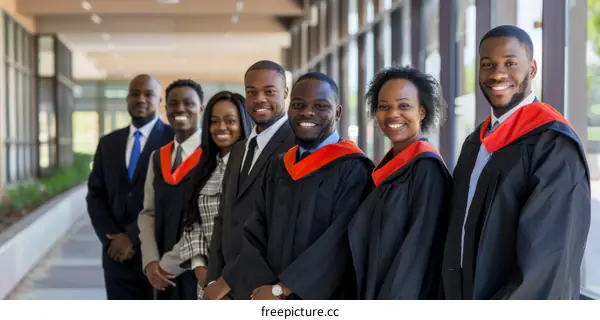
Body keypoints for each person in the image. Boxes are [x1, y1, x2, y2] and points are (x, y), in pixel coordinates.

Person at [442, 25, 590, 300]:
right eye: (488, 64)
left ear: (532, 69)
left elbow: (547, 258)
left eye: (511, 63)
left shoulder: (553, 145)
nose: (498, 74)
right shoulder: (477, 142)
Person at [238, 71, 374, 300]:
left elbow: (340, 242)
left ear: (338, 112)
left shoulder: (353, 168)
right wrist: (266, 286)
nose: (307, 112)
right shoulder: (279, 165)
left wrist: (284, 288)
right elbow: (254, 229)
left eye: (320, 106)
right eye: (298, 104)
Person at [348, 66, 451, 300]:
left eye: (404, 106)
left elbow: (418, 255)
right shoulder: (387, 167)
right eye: (384, 107)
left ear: (422, 112)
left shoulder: (427, 170)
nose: (393, 114)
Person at [204, 60, 296, 300]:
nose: (259, 99)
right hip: (227, 290)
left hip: (267, 288)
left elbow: (278, 228)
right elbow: (223, 218)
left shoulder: (296, 147)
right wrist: (214, 280)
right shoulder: (239, 150)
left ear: (285, 93)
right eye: (251, 92)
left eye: (269, 91)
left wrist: (226, 280)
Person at [86, 74, 174, 300]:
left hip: (159, 256)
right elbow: (96, 195)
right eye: (135, 93)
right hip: (116, 257)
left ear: (160, 101)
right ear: (127, 99)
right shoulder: (108, 143)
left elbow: (172, 199)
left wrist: (132, 236)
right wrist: (112, 238)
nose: (141, 99)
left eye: (149, 94)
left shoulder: (174, 141)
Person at [177, 91, 254, 299]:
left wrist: (224, 285)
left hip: (246, 283)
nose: (221, 127)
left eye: (230, 121)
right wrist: (207, 281)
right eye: (214, 121)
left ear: (244, 123)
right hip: (208, 289)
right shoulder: (203, 170)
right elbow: (192, 228)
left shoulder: (253, 171)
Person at [137, 79, 205, 300]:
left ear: (201, 108)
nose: (180, 109)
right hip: (161, 275)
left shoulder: (214, 157)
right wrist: (150, 260)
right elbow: (148, 213)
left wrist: (167, 264)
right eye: (173, 104)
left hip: (199, 269)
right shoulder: (158, 157)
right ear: (166, 110)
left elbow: (212, 219)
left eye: (189, 103)